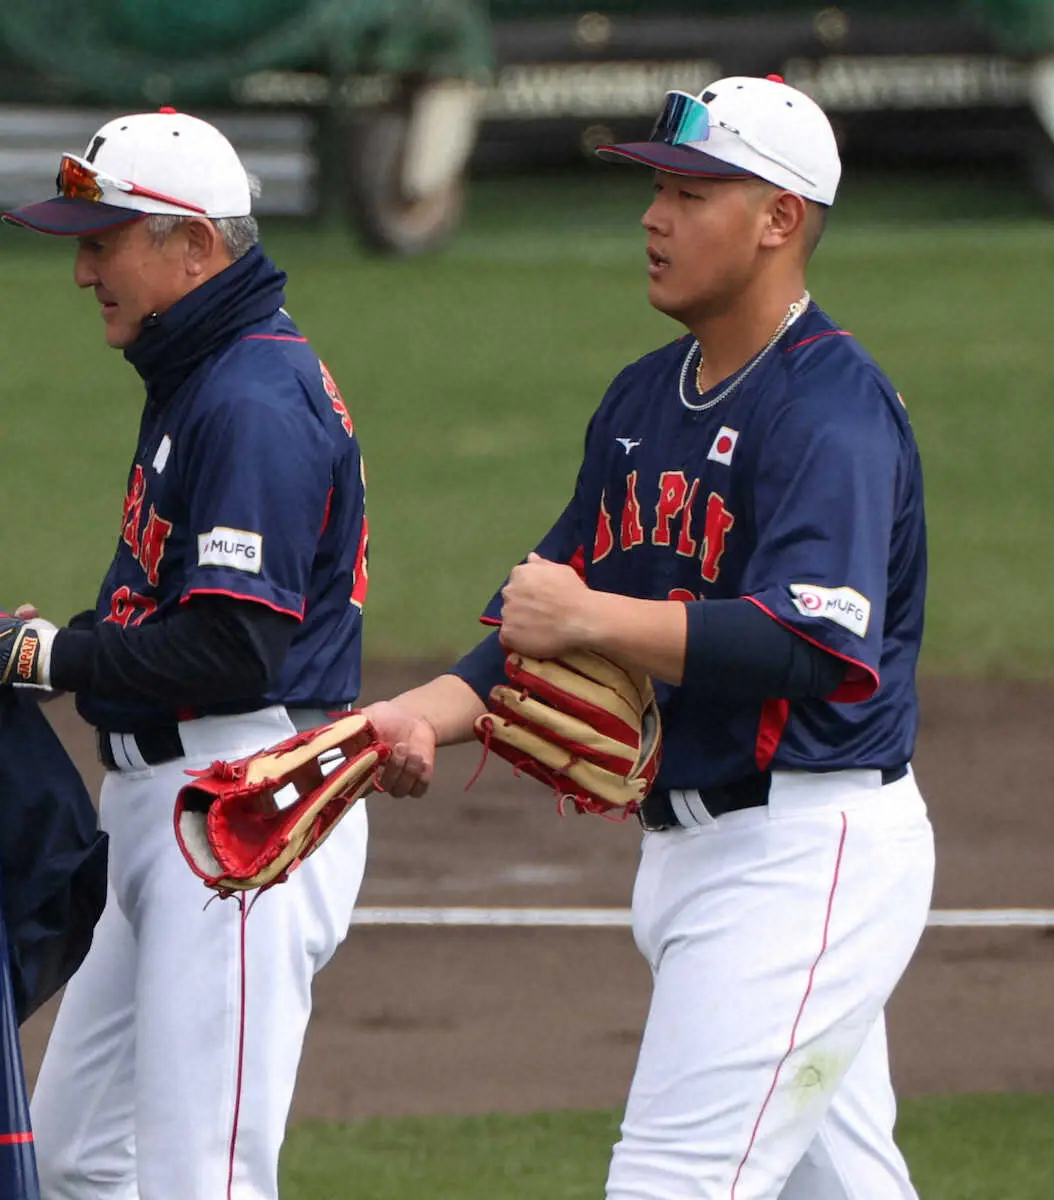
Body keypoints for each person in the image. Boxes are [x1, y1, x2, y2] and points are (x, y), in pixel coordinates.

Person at [363, 76, 935, 1199]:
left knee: (670, 1180)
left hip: (803, 854)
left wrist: (593, 618)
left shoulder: (831, 411)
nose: (652, 217)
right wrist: (406, 717)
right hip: (701, 855)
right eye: (656, 189)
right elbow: (536, 626)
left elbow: (811, 643)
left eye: (688, 191)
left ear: (779, 219)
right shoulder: (641, 403)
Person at [1, 109, 370, 1199]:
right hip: (169, 801)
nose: (81, 270)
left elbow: (235, 649)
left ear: (194, 246)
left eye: (103, 240)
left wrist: (53, 659)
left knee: (199, 1177)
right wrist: (65, 641)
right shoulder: (205, 376)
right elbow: (181, 615)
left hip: (241, 805)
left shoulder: (252, 396)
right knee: (76, 1158)